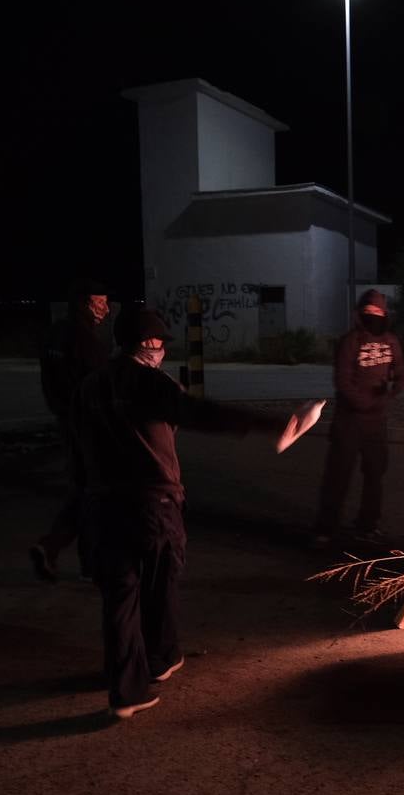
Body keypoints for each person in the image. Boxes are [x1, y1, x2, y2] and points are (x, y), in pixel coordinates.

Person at [72, 307, 322, 718]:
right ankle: (161, 657)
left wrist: (74, 519)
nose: (162, 350)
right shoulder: (149, 382)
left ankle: (126, 689)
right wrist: (279, 425)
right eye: (160, 343)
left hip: (103, 507)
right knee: (160, 585)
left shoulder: (90, 387)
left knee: (120, 598)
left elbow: (78, 453)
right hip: (153, 505)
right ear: (150, 344)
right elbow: (201, 413)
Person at [30, 280, 112, 582]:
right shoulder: (86, 342)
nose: (105, 308)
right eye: (100, 301)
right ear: (84, 304)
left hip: (66, 421)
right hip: (88, 428)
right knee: (95, 493)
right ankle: (86, 560)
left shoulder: (54, 335)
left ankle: (53, 547)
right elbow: (101, 389)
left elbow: (49, 383)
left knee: (83, 489)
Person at [313, 288, 404, 546]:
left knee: (375, 473)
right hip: (349, 421)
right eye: (368, 312)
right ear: (360, 313)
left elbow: (401, 373)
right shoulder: (350, 341)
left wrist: (392, 390)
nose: (373, 316)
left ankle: (367, 525)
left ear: (385, 314)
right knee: (338, 475)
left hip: (376, 423)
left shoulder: (391, 341)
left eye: (377, 312)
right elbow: (342, 380)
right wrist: (364, 402)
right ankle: (326, 528)